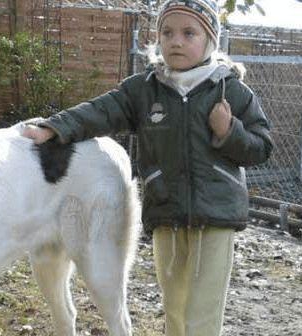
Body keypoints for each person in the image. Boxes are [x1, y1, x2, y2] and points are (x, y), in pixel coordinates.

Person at [22, 0, 274, 335]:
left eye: (189, 33)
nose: (176, 41)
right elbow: (100, 111)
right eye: (167, 32)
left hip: (216, 220)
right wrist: (55, 127)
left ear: (210, 40)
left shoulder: (231, 90)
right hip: (166, 214)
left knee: (202, 312)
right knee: (174, 307)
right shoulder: (144, 90)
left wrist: (229, 132)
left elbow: (262, 147)